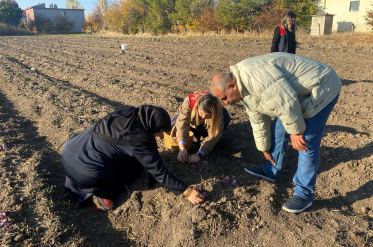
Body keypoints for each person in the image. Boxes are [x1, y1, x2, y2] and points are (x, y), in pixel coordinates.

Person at [211, 53, 342, 214]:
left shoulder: (255, 77)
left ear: (232, 86)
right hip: (297, 95)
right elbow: (258, 119)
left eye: (224, 98)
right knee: (279, 129)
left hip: (322, 86)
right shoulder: (243, 89)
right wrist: (264, 149)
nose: (225, 103)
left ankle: (304, 194)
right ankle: (270, 170)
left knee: (305, 141)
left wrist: (296, 131)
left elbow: (286, 101)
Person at [62, 105, 205, 210]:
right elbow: (159, 172)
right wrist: (187, 191)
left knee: (116, 154)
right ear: (154, 128)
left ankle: (75, 181)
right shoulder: (139, 140)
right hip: (86, 173)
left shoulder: (127, 111)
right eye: (160, 134)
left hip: (70, 150)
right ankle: (103, 194)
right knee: (135, 168)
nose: (160, 137)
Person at [173, 92, 230, 163]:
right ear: (197, 107)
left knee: (206, 136)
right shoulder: (189, 102)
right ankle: (197, 129)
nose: (203, 116)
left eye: (207, 115)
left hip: (221, 116)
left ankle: (200, 131)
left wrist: (199, 154)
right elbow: (182, 123)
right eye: (202, 113)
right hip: (194, 115)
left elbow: (214, 134)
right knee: (175, 123)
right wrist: (182, 147)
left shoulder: (217, 111)